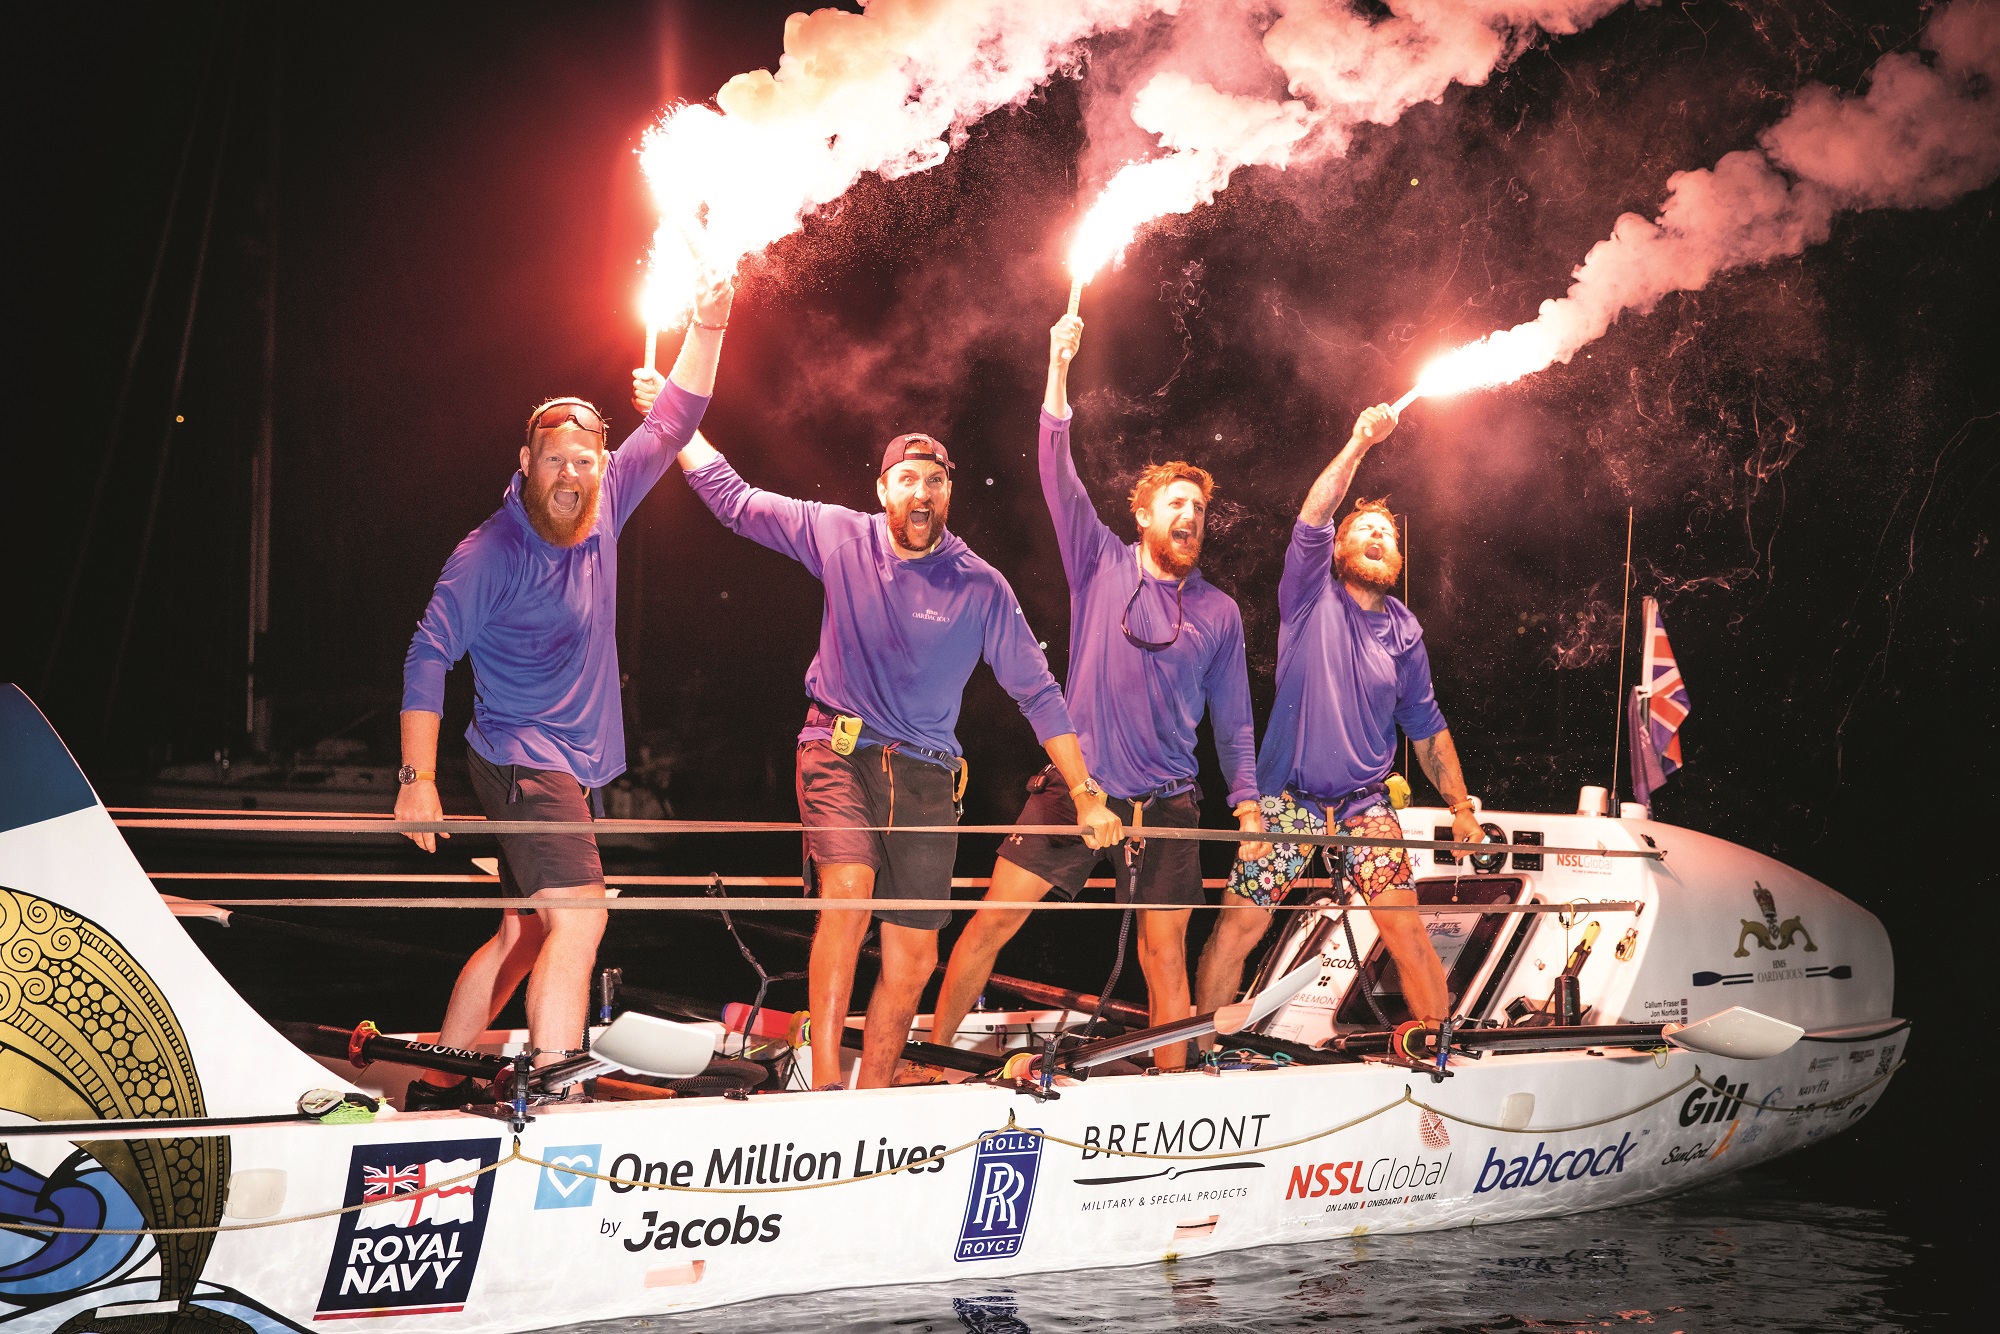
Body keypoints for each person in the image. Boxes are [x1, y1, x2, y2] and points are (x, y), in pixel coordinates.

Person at [630, 377, 1123, 1090]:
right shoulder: (839, 534)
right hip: (838, 751)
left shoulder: (981, 586)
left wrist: (1084, 792)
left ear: (948, 493)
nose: (922, 492)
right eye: (907, 479)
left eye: (936, 481)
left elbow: (1038, 693)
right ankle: (829, 1085)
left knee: (916, 957)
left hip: (925, 776)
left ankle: (879, 1090)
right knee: (850, 894)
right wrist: (675, 417)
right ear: (884, 490)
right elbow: (734, 501)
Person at [393, 274, 734, 1109]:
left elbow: (678, 415)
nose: (573, 475)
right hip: (522, 763)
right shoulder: (490, 553)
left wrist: (713, 316)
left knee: (521, 933)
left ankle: (441, 1078)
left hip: (552, 763)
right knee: (581, 921)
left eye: (586, 460)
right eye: (556, 461)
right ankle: (547, 1094)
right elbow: (428, 654)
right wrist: (417, 781)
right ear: (526, 463)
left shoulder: (610, 494)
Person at [928, 313, 1267, 1068]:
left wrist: (1247, 801)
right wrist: (1057, 365)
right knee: (989, 925)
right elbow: (1057, 471)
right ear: (1142, 514)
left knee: (1164, 957)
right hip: (1075, 789)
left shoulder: (1218, 612)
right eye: (1177, 503)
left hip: (1169, 803)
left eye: (1200, 509)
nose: (1191, 516)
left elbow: (1236, 725)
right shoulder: (1099, 563)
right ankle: (931, 1062)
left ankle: (1172, 1098)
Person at [1193, 404, 1481, 1035]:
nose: (1379, 537)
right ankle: (1203, 1055)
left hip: (1363, 807)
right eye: (1366, 530)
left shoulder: (1406, 631)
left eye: (1388, 533)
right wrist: (1357, 442)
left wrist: (1460, 807)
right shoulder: (1307, 595)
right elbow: (1316, 512)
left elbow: (1427, 730)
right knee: (1238, 928)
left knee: (1405, 929)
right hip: (1287, 802)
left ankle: (1434, 1049)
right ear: (1341, 548)